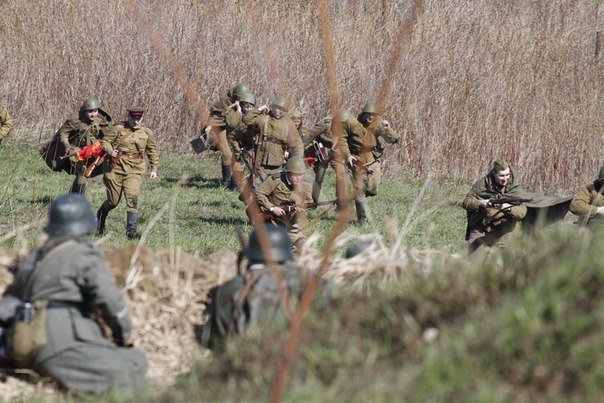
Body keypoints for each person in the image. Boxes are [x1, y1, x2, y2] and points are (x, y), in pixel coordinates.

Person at [0, 194, 147, 395]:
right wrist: (124, 333)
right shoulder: (84, 254)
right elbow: (109, 300)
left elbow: (10, 302)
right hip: (59, 341)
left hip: (25, 339)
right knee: (132, 369)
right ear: (85, 223)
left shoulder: (35, 256)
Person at [200, 224, 305, 349]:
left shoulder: (227, 291)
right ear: (287, 257)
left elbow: (214, 341)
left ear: (249, 256)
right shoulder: (308, 286)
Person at [96, 106, 159, 240]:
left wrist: (154, 169)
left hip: (134, 170)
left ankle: (131, 231)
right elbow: (105, 141)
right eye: (133, 118)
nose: (136, 121)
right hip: (114, 169)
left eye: (139, 118)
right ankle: (100, 219)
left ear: (142, 118)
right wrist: (110, 151)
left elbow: (152, 150)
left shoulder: (146, 132)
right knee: (113, 201)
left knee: (132, 199)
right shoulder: (118, 129)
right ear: (129, 117)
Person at [346, 102, 399, 225]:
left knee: (372, 188)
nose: (371, 117)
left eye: (373, 115)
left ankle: (367, 191)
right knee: (359, 190)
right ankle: (361, 218)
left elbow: (393, 139)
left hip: (373, 161)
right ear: (363, 115)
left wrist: (388, 129)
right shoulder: (354, 125)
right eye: (368, 115)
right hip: (357, 161)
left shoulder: (378, 125)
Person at [462, 160, 531, 254]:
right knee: (474, 257)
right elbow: (466, 202)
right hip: (482, 225)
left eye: (507, 175)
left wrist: (508, 208)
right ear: (494, 174)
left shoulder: (514, 187)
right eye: (502, 175)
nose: (505, 178)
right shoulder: (482, 184)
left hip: (505, 226)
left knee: (506, 256)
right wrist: (481, 203)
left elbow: (522, 211)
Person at [302, 110, 362, 204]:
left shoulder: (350, 127)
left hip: (336, 152)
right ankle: (314, 201)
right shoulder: (326, 124)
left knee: (342, 174)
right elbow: (310, 135)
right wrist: (297, 149)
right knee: (319, 177)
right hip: (322, 151)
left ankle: (341, 201)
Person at [55, 97, 112, 194]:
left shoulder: (100, 120)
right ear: (84, 111)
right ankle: (79, 201)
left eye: (95, 111)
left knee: (85, 174)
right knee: (82, 174)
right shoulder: (75, 120)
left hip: (93, 151)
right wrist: (67, 146)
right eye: (90, 111)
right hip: (78, 151)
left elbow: (108, 136)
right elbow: (63, 134)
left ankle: (71, 196)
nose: (93, 114)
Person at [254, 157, 312, 252]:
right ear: (288, 173)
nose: (299, 178)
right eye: (296, 175)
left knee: (303, 246)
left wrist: (300, 211)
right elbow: (259, 193)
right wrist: (272, 208)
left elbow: (308, 202)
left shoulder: (305, 184)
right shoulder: (276, 180)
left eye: (301, 175)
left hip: (290, 222)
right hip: (273, 220)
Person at [242, 96, 303, 185]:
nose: (280, 111)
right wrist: (259, 109)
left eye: (282, 109)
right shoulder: (264, 118)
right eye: (278, 108)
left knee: (275, 191)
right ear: (273, 107)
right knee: (256, 190)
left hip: (279, 164)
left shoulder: (288, 123)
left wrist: (296, 163)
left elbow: (297, 144)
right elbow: (246, 119)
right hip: (261, 163)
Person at [206, 83, 253, 186]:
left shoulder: (247, 103)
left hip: (236, 130)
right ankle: (226, 180)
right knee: (227, 153)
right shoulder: (225, 102)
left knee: (239, 153)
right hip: (221, 127)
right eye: (239, 97)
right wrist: (210, 126)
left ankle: (235, 181)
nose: (240, 99)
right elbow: (215, 115)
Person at [225, 92, 257, 191]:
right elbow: (232, 137)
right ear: (242, 106)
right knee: (238, 165)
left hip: (250, 144)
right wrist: (238, 150)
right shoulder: (236, 115)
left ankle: (252, 184)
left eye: (251, 107)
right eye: (247, 106)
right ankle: (234, 184)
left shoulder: (255, 116)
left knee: (254, 165)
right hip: (236, 143)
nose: (249, 109)